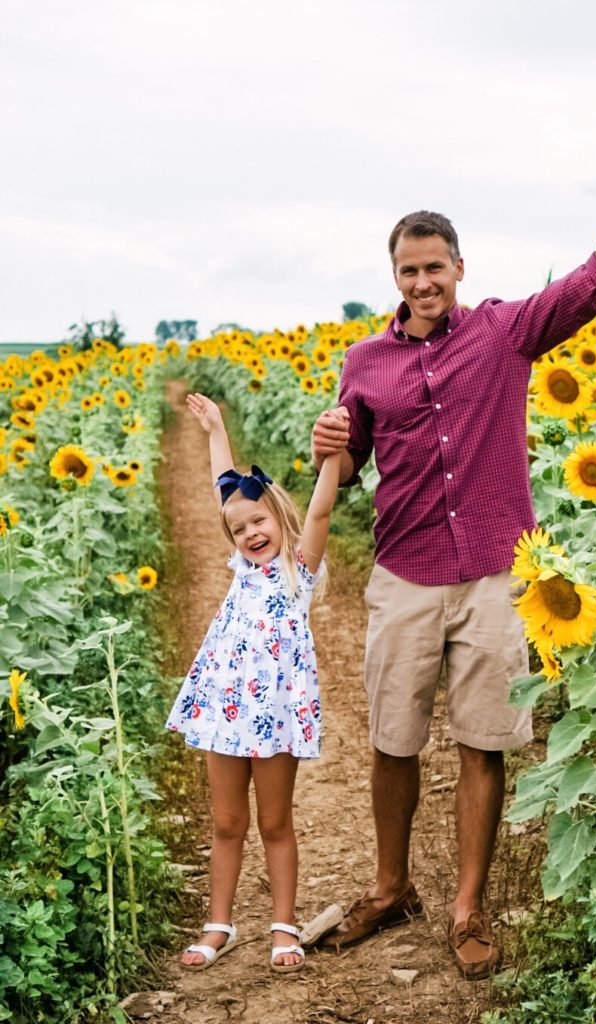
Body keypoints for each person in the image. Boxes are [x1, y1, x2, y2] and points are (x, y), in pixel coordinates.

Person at [310, 109, 596, 979]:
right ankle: (388, 887)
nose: (422, 282)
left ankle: (467, 906)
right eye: (407, 270)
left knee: (483, 740)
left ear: (459, 268)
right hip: (404, 572)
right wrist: (327, 445)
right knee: (392, 738)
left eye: (434, 267)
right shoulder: (362, 361)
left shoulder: (503, 333)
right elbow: (352, 458)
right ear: (394, 275)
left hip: (494, 572)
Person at [166, 392, 344, 974]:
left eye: (259, 520)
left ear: (278, 516)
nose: (249, 533)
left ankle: (283, 927)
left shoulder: (300, 570)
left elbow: (317, 513)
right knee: (225, 822)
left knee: (274, 821)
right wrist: (216, 428)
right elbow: (227, 486)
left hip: (275, 712)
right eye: (239, 529)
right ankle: (219, 923)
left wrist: (333, 463)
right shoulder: (242, 566)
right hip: (224, 706)